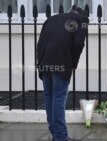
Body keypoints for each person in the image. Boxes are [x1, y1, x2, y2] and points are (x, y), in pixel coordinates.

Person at [37, 6, 87, 141]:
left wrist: (39, 63)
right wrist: (73, 64)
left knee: (49, 96)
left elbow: (40, 42)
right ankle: (60, 137)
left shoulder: (51, 19)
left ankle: (55, 133)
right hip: (60, 61)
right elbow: (78, 44)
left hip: (44, 61)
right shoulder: (81, 20)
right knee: (58, 98)